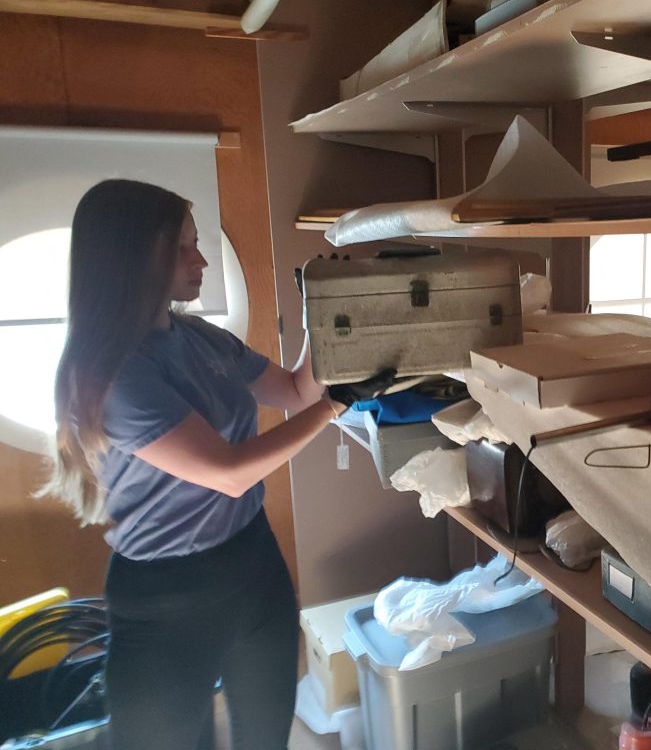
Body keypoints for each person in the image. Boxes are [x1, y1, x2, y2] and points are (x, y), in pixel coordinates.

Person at [37, 179, 394, 750]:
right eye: (182, 247)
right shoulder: (112, 374)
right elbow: (229, 473)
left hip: (252, 567)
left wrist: (320, 313)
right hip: (164, 597)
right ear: (133, 255)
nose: (201, 260)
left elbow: (297, 390)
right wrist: (337, 406)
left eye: (197, 244)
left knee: (264, 735)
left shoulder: (198, 336)